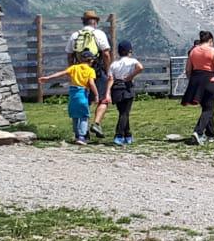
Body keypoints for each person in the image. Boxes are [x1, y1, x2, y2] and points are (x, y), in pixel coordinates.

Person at [67, 11, 113, 139]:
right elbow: (106, 54)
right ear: (95, 22)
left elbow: (70, 55)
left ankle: (82, 132)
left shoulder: (75, 35)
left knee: (83, 100)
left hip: (81, 72)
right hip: (97, 71)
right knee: (103, 98)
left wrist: (73, 70)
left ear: (83, 21)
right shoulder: (99, 34)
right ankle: (96, 123)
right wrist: (108, 69)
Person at [40, 60, 99, 144]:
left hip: (73, 94)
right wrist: (96, 95)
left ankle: (76, 135)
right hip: (82, 93)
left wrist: (48, 78)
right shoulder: (90, 70)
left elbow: (62, 73)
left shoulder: (74, 67)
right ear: (91, 61)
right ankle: (82, 137)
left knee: (75, 116)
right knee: (84, 116)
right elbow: (91, 83)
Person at [185, 30, 214, 144]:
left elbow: (188, 70)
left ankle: (211, 134)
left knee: (206, 108)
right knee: (209, 109)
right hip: (210, 81)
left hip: (197, 82)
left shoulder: (193, 51)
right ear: (210, 40)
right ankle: (198, 132)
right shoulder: (212, 50)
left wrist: (192, 81)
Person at [108, 40, 144, 145]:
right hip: (127, 87)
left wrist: (107, 93)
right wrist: (130, 76)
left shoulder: (114, 64)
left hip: (116, 88)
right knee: (125, 113)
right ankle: (118, 135)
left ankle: (128, 135)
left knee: (122, 112)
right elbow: (140, 67)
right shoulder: (132, 61)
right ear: (129, 51)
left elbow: (110, 78)